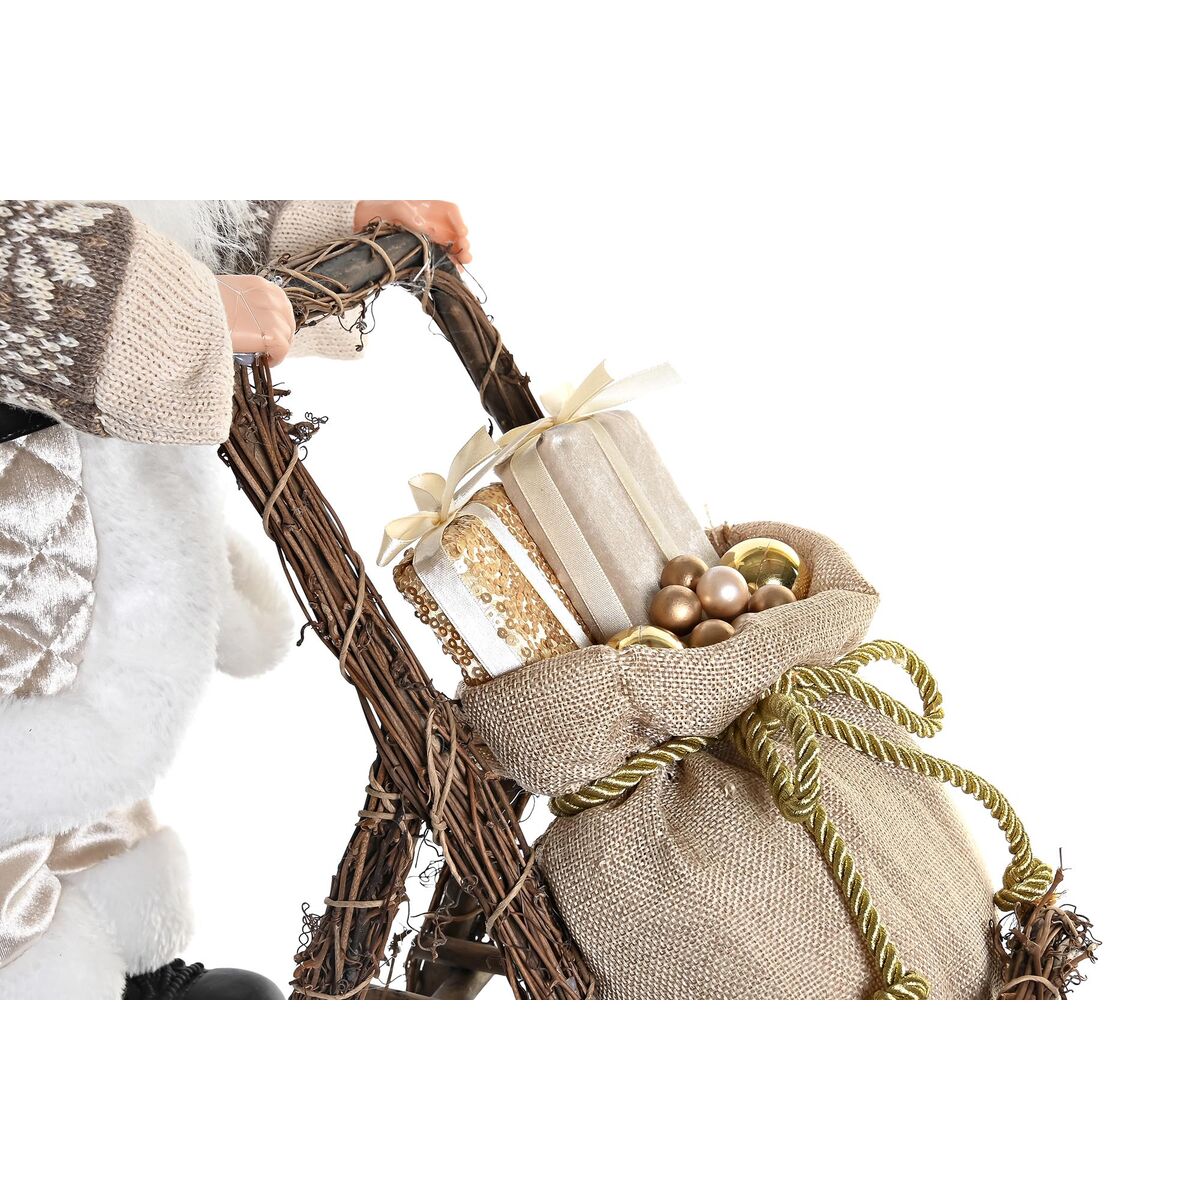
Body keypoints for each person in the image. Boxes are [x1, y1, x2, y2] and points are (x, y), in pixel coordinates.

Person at [0, 199, 469, 999]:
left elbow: (159, 200)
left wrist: (322, 219)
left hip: (82, 451)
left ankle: (115, 946)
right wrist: (165, 314)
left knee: (81, 721)